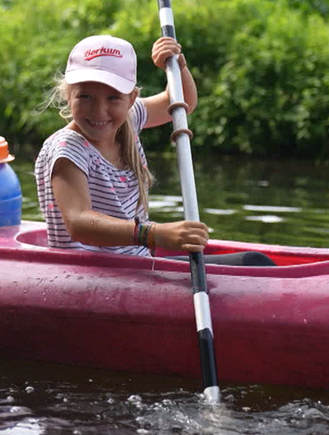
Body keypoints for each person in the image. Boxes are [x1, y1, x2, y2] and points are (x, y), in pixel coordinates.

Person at [35, 34, 275, 266]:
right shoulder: (68, 148)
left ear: (131, 99)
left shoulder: (129, 118)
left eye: (113, 98)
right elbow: (79, 222)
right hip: (94, 272)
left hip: (133, 264)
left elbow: (181, 103)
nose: (99, 111)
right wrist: (153, 234)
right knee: (256, 263)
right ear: (68, 95)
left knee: (255, 262)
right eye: (85, 96)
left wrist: (177, 65)